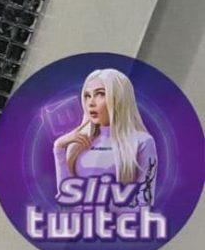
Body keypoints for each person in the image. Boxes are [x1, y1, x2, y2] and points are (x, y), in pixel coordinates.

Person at [53, 68, 158, 207]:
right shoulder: (78, 143)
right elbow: (66, 198)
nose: (91, 102)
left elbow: (145, 200)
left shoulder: (142, 142)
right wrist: (59, 148)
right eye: (87, 96)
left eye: (100, 94)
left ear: (119, 97)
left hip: (119, 220)